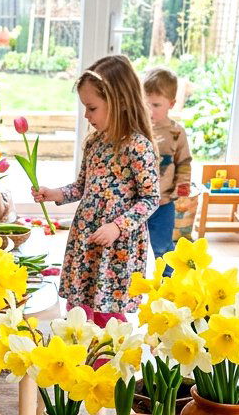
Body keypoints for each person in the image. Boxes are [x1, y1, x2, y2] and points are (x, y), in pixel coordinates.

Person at [34, 55, 159, 324]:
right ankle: (80, 356)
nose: (86, 115)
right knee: (79, 308)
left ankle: (110, 359)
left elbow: (150, 199)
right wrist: (55, 193)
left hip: (117, 245)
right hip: (87, 238)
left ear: (120, 102)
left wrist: (117, 226)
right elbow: (82, 186)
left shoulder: (138, 146)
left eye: (91, 108)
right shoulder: (94, 143)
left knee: (108, 310)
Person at [142, 67, 192, 260]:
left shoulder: (176, 132)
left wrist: (182, 185)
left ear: (171, 104)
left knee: (163, 247)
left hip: (163, 203)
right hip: (136, 202)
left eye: (156, 105)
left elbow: (184, 162)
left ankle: (167, 283)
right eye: (145, 104)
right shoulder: (138, 130)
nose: (150, 110)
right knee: (130, 249)